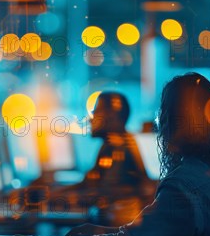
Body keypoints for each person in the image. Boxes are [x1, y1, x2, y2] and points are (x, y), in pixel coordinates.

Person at [7, 72, 210, 236]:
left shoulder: (184, 187)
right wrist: (101, 232)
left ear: (172, 123)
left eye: (164, 117)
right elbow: (139, 234)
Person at [47, 92, 153, 223]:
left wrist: (58, 198)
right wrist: (52, 194)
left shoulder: (120, 146)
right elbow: (89, 184)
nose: (91, 119)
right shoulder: (110, 145)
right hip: (113, 224)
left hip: (117, 227)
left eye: (97, 112)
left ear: (112, 117)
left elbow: (102, 193)